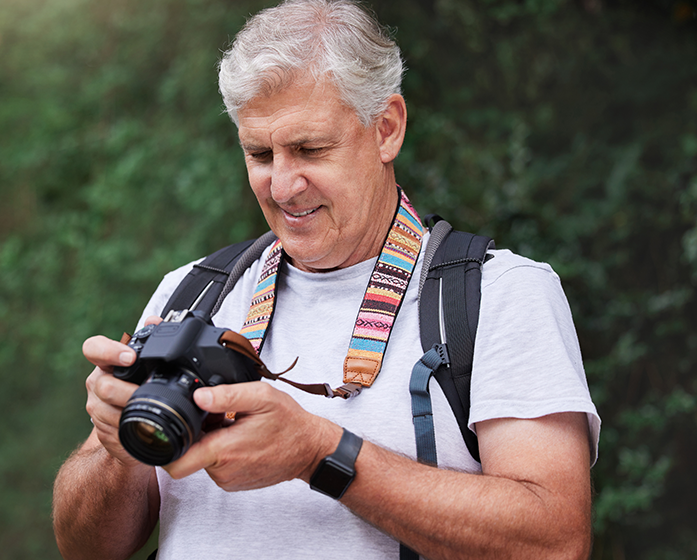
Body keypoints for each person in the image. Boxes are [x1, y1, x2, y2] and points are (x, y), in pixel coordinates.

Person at [52, 1, 601, 559]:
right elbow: (83, 549)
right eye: (260, 154)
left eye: (310, 149)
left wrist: (319, 454)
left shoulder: (500, 294)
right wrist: (113, 447)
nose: (284, 186)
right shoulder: (192, 292)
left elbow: (554, 542)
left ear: (386, 129)